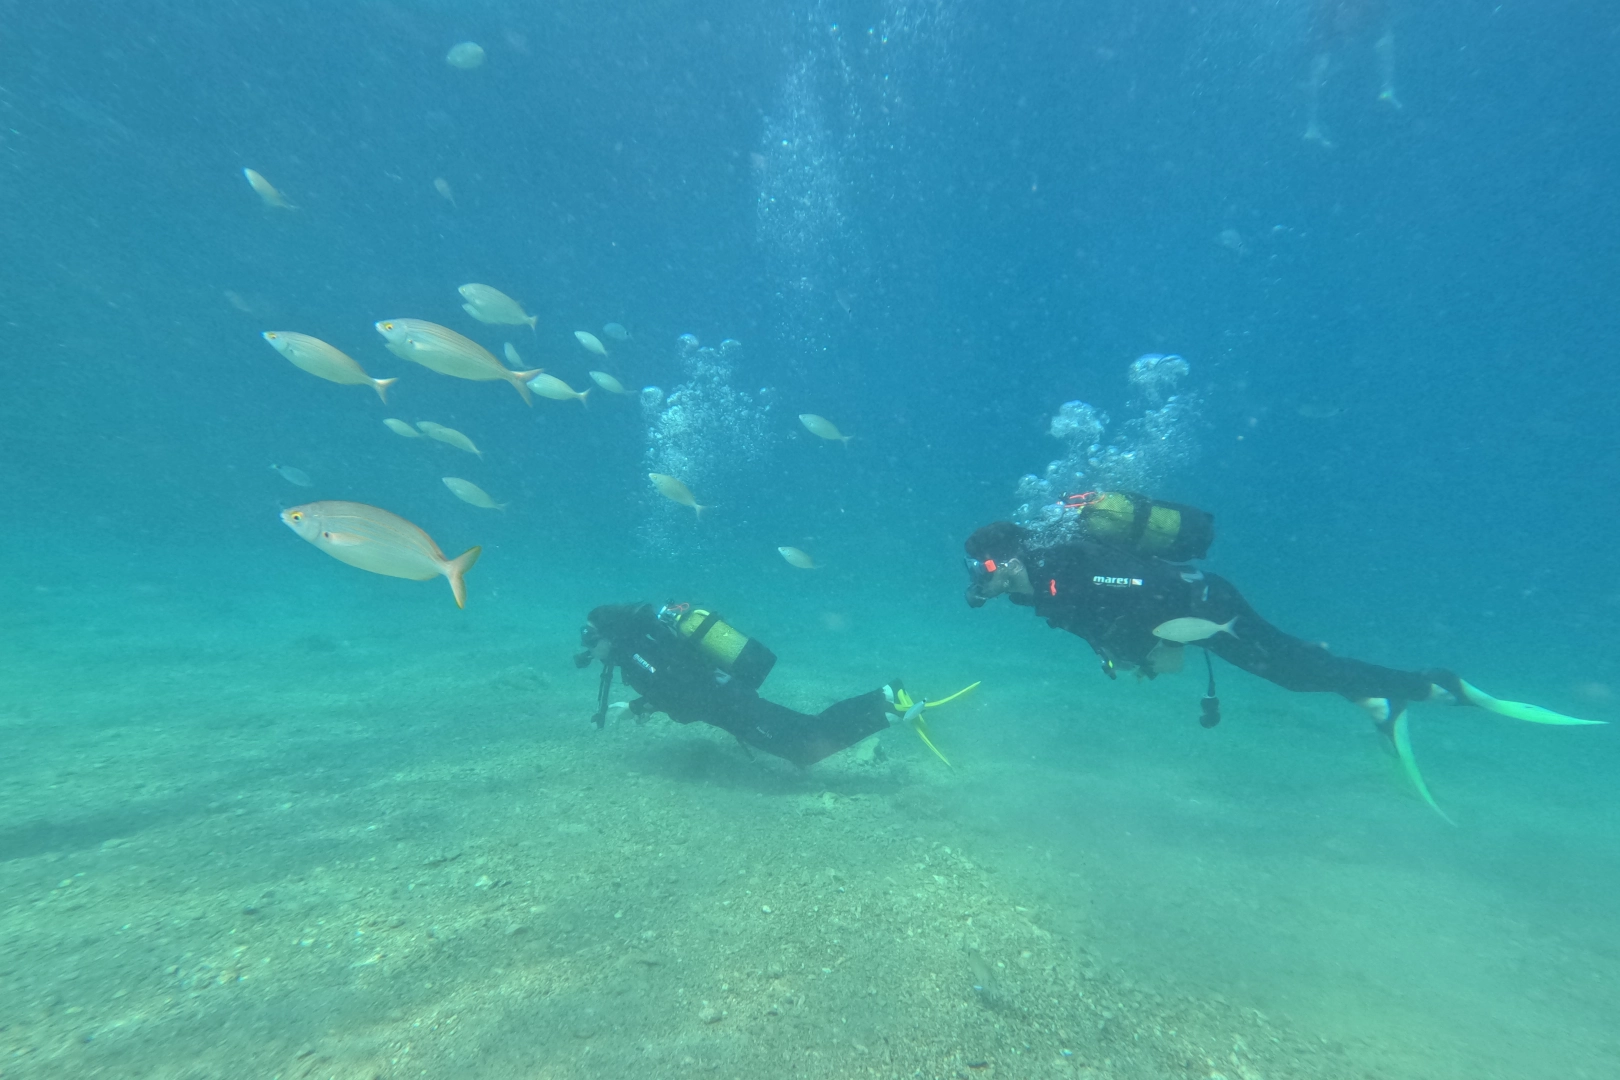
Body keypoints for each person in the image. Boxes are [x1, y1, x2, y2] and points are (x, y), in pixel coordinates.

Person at [961, 497, 1601, 816]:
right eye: (976, 571)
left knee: (1294, 673)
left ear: (1010, 557)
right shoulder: (1041, 590)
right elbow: (1104, 621)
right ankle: (1375, 697)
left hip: (1205, 606)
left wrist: (1154, 643)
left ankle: (1432, 686)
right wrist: (1127, 653)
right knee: (1295, 668)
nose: (980, 580)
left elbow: (1149, 589)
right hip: (1193, 623)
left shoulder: (1065, 567)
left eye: (985, 567)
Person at [574, 602, 898, 768]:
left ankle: (891, 708)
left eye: (589, 636)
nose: (586, 644)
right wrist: (639, 706)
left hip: (731, 705)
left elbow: (681, 698)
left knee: (805, 746)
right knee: (806, 733)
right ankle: (885, 697)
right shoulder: (642, 647)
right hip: (728, 700)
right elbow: (671, 685)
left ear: (612, 634)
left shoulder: (638, 654)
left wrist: (644, 705)